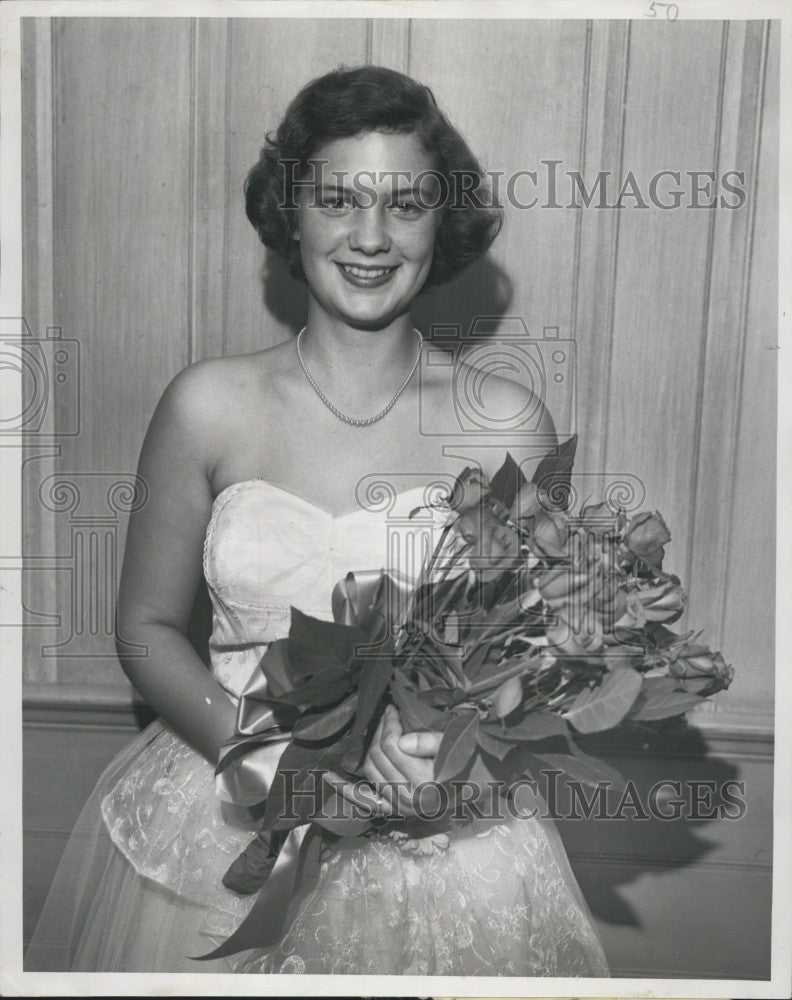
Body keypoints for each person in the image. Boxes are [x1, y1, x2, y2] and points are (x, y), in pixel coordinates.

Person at [26, 66, 609, 976]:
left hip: (440, 839)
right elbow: (142, 628)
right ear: (290, 213)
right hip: (220, 807)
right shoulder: (207, 405)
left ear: (439, 222)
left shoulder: (509, 425)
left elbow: (529, 658)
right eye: (338, 199)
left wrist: (445, 758)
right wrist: (273, 759)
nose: (370, 237)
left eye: (405, 204)